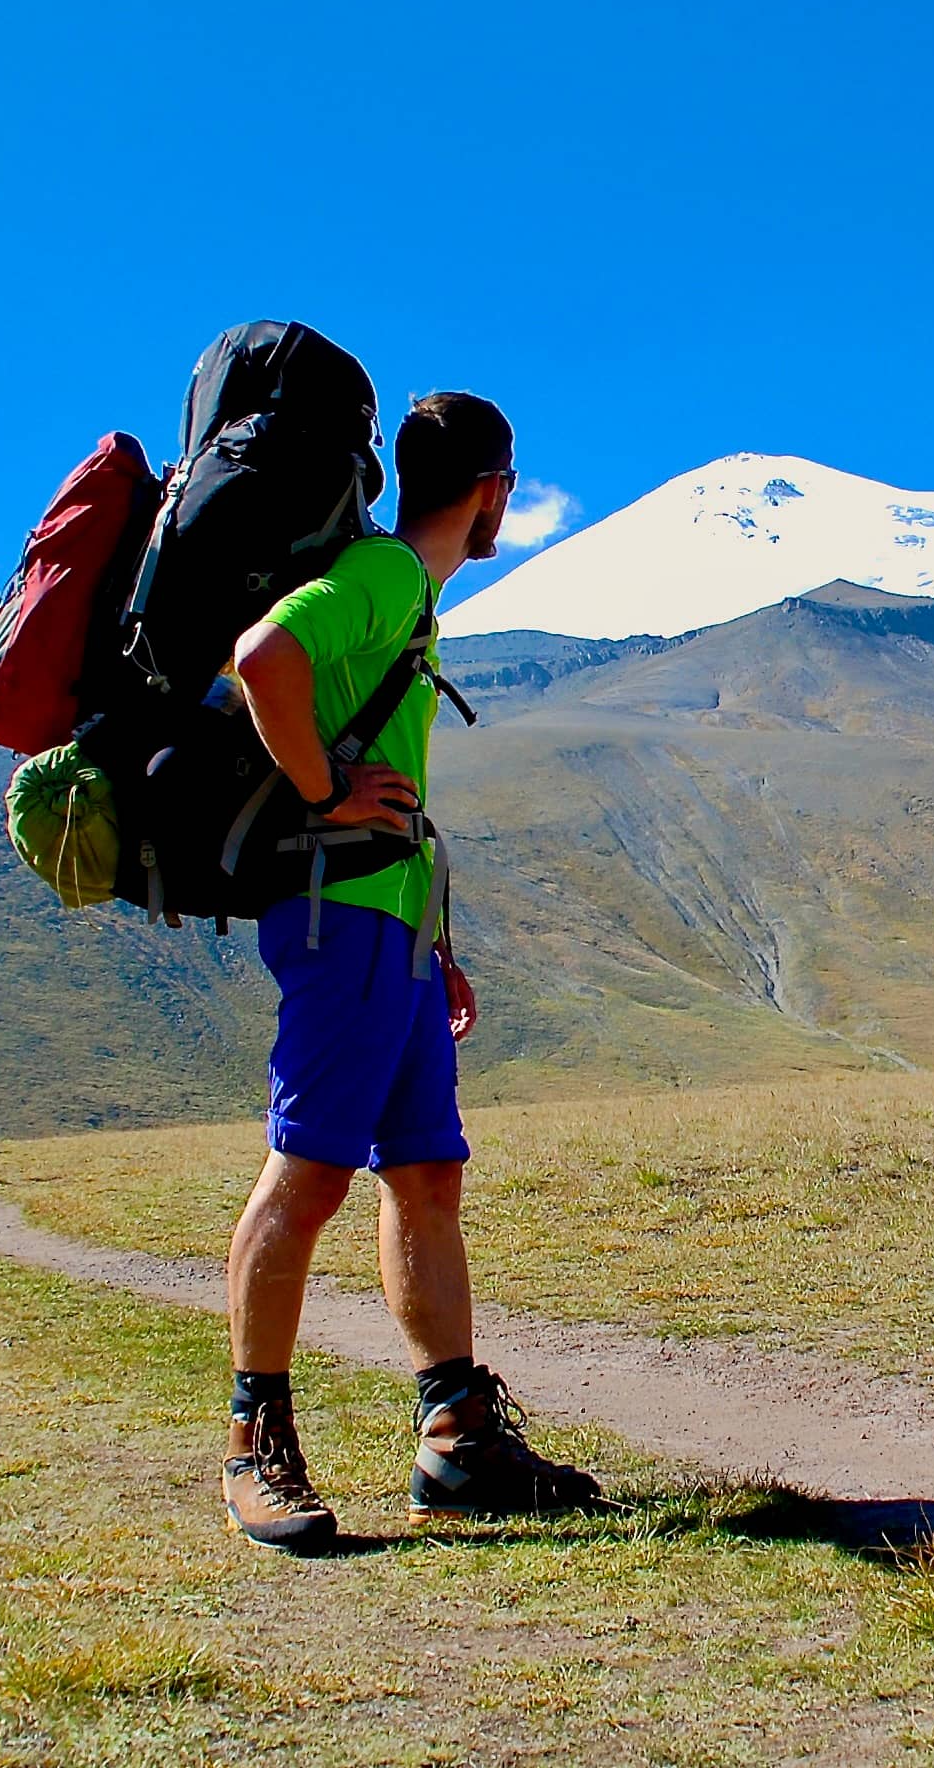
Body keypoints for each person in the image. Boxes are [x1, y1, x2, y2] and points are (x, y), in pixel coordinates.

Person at [215, 389, 598, 1550]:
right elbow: (262, 655)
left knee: (425, 1177)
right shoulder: (384, 577)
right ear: (494, 490)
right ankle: (252, 1449)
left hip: (392, 931)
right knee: (309, 1176)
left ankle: (455, 1441)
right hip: (338, 921)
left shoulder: (408, 599)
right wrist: (324, 792)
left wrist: (436, 949)